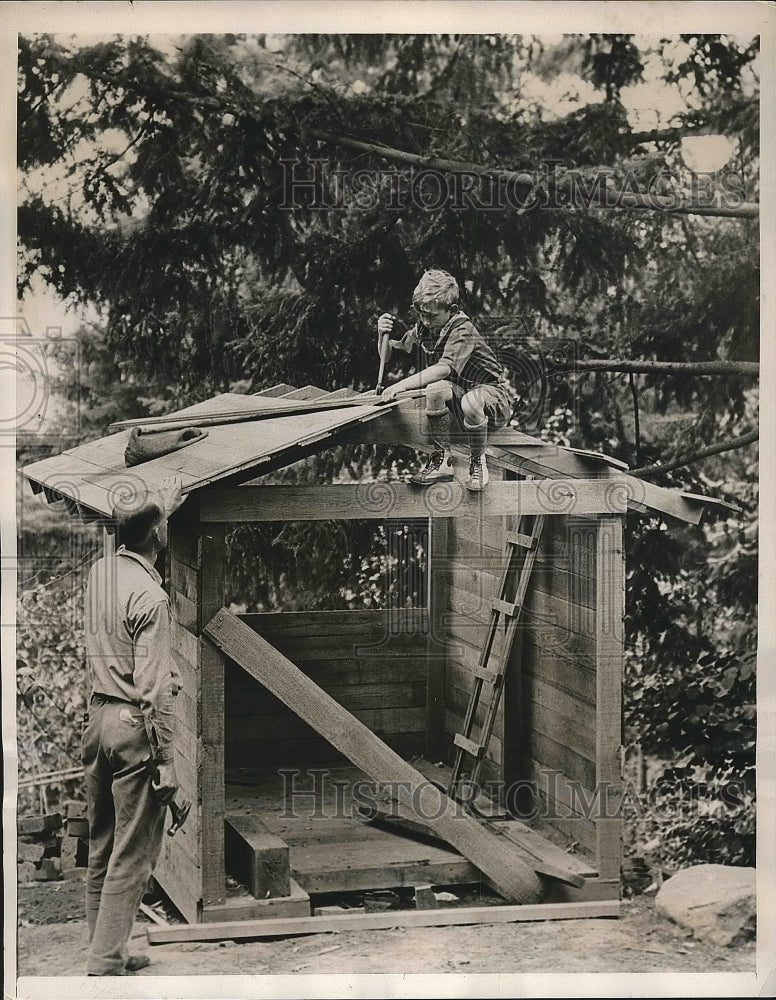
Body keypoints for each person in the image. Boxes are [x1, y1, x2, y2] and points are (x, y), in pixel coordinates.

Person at [82, 477, 185, 976]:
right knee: (132, 853)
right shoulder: (152, 597)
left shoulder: (100, 571)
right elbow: (153, 691)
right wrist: (165, 762)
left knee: (102, 842)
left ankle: (105, 948)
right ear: (159, 534)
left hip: (97, 720)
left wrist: (160, 502)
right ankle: (105, 965)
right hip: (130, 729)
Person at [376, 268, 512, 491]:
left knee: (468, 399)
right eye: (421, 314)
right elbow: (391, 352)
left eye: (430, 315)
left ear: (452, 310)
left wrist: (400, 385)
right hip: (459, 394)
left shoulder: (462, 330)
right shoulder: (427, 328)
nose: (425, 321)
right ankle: (442, 460)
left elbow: (443, 369)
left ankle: (478, 460)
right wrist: (382, 334)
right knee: (435, 390)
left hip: (490, 396)